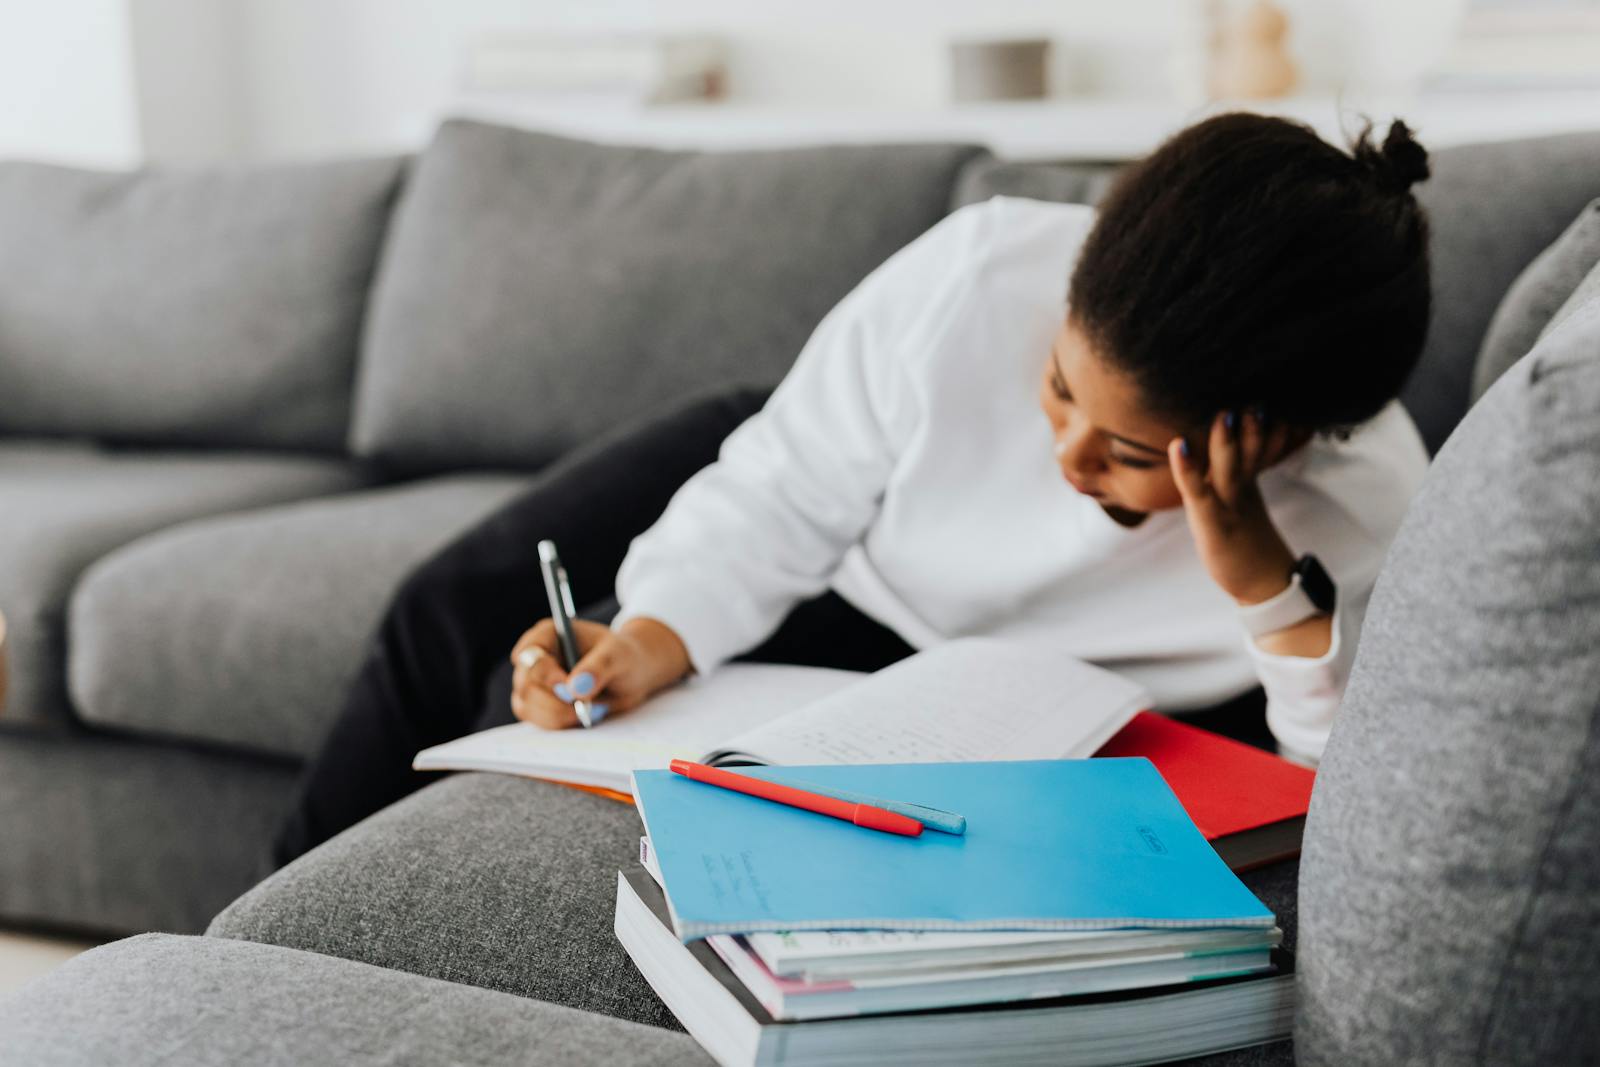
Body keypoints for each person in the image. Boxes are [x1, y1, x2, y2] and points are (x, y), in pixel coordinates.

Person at [273, 112, 1432, 866]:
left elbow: (1339, 785)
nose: (1067, 456)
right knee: (452, 611)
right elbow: (788, 483)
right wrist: (656, 633)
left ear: (1275, 441)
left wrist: (1265, 587)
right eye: (1055, 387)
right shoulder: (987, 266)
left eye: (1130, 453)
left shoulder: (1369, 501)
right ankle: (250, 946)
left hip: (1018, 683)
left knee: (514, 699)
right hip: (842, 516)